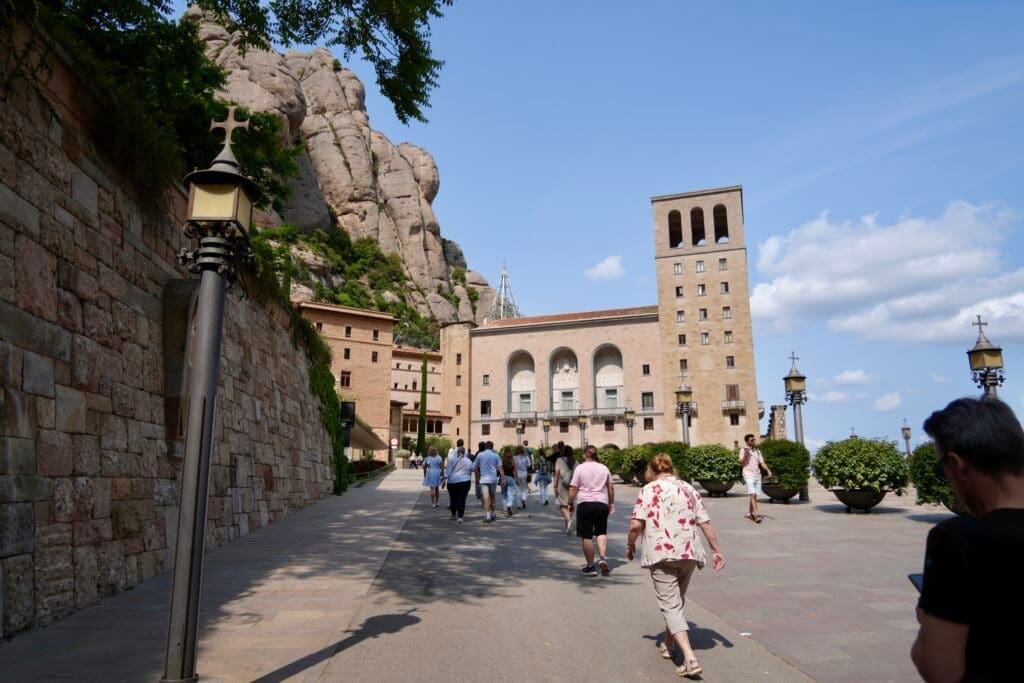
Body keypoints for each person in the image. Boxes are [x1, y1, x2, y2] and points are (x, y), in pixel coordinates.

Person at [911, 397, 1024, 683]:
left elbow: (940, 669)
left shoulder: (959, 540)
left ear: (958, 465)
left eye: (942, 471)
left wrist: (927, 619)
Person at [627, 453, 725, 679]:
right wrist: (716, 550)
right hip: (689, 552)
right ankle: (668, 644)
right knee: (676, 602)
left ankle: (690, 659)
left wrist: (630, 545)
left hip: (662, 554)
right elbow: (705, 522)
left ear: (652, 470)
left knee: (671, 606)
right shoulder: (689, 488)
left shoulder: (648, 489)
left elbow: (635, 525)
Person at [568, 445, 615, 576]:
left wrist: (570, 502)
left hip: (585, 503)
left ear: (585, 455)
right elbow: (610, 487)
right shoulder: (604, 468)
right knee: (601, 532)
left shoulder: (580, 468)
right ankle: (602, 559)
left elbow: (573, 488)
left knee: (587, 536)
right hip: (601, 503)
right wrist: (611, 503)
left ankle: (590, 566)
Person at [739, 433, 772, 523]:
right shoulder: (743, 450)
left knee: (754, 495)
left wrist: (768, 470)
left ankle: (750, 513)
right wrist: (746, 453)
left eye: (754, 440)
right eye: (751, 440)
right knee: (753, 494)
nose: (754, 441)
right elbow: (741, 463)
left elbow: (762, 463)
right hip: (748, 474)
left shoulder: (758, 451)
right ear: (747, 442)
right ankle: (756, 515)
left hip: (757, 475)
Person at [474, 441, 504, 523]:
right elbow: (500, 468)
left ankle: (487, 515)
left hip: (484, 479)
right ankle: (493, 513)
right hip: (493, 479)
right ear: (492, 447)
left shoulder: (480, 455)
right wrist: (503, 478)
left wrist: (477, 478)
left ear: (486, 447)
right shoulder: (496, 455)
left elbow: (475, 467)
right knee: (493, 496)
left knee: (485, 497)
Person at [443, 441, 473, 524]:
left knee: (453, 498)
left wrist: (444, 480)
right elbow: (472, 469)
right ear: (464, 452)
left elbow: (448, 471)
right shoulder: (468, 460)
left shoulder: (452, 460)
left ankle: (453, 515)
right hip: (464, 481)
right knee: (461, 499)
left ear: (457, 452)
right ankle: (460, 517)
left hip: (452, 482)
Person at [553, 444, 577, 534]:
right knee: (570, 504)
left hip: (562, 486)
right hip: (573, 486)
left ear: (563, 452)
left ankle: (569, 520)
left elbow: (556, 473)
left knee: (562, 506)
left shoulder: (559, 460)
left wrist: (554, 486)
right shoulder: (575, 461)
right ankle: (567, 526)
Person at [501, 450, 518, 517]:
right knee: (511, 493)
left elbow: (499, 470)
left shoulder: (502, 461)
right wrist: (517, 479)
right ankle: (509, 504)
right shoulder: (513, 462)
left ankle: (505, 508)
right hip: (511, 478)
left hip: (503, 478)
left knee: (504, 493)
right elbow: (515, 471)